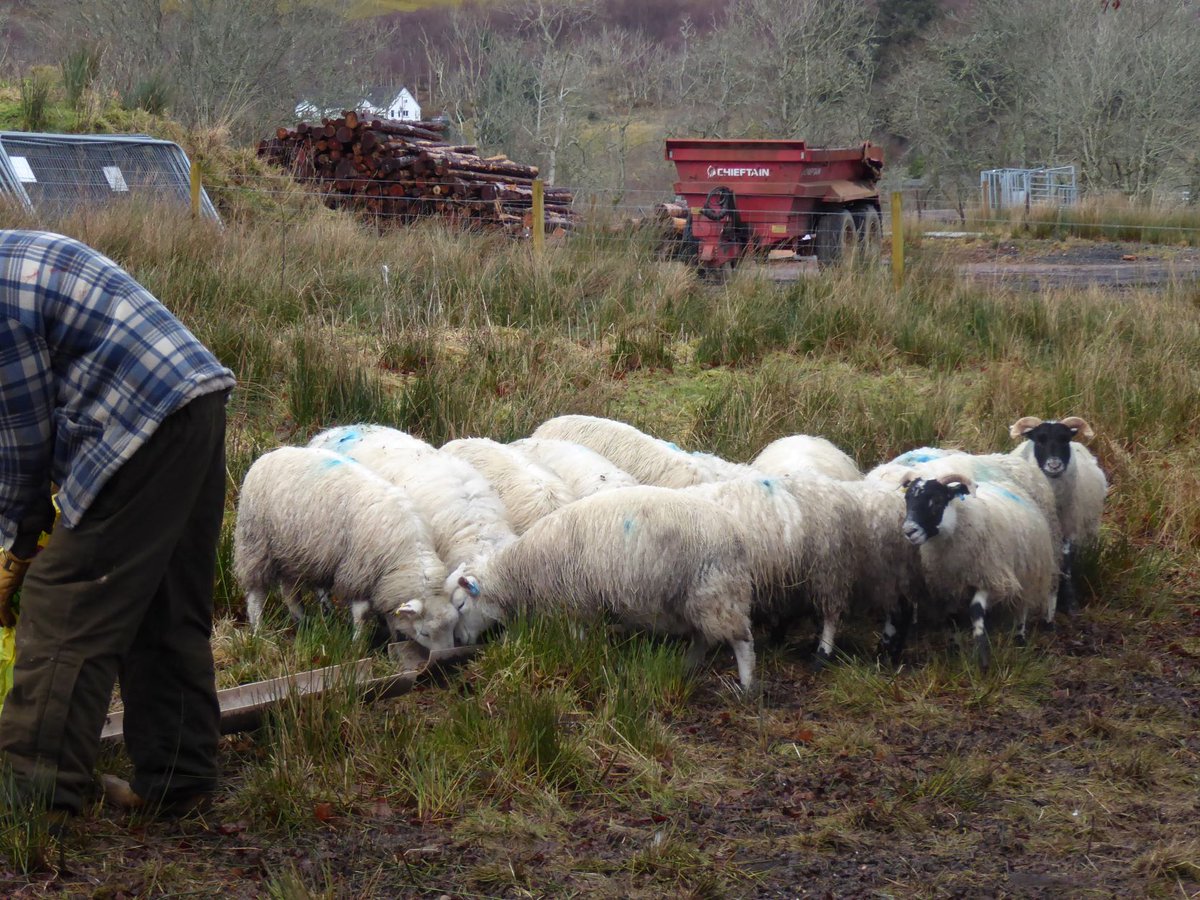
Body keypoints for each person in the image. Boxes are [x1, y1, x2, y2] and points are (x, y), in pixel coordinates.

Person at [0, 229, 235, 821]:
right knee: (162, 601)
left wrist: (16, 547)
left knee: (67, 603)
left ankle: (35, 799)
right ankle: (180, 781)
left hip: (142, 417)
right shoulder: (14, 255)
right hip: (195, 401)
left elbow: (23, 439)